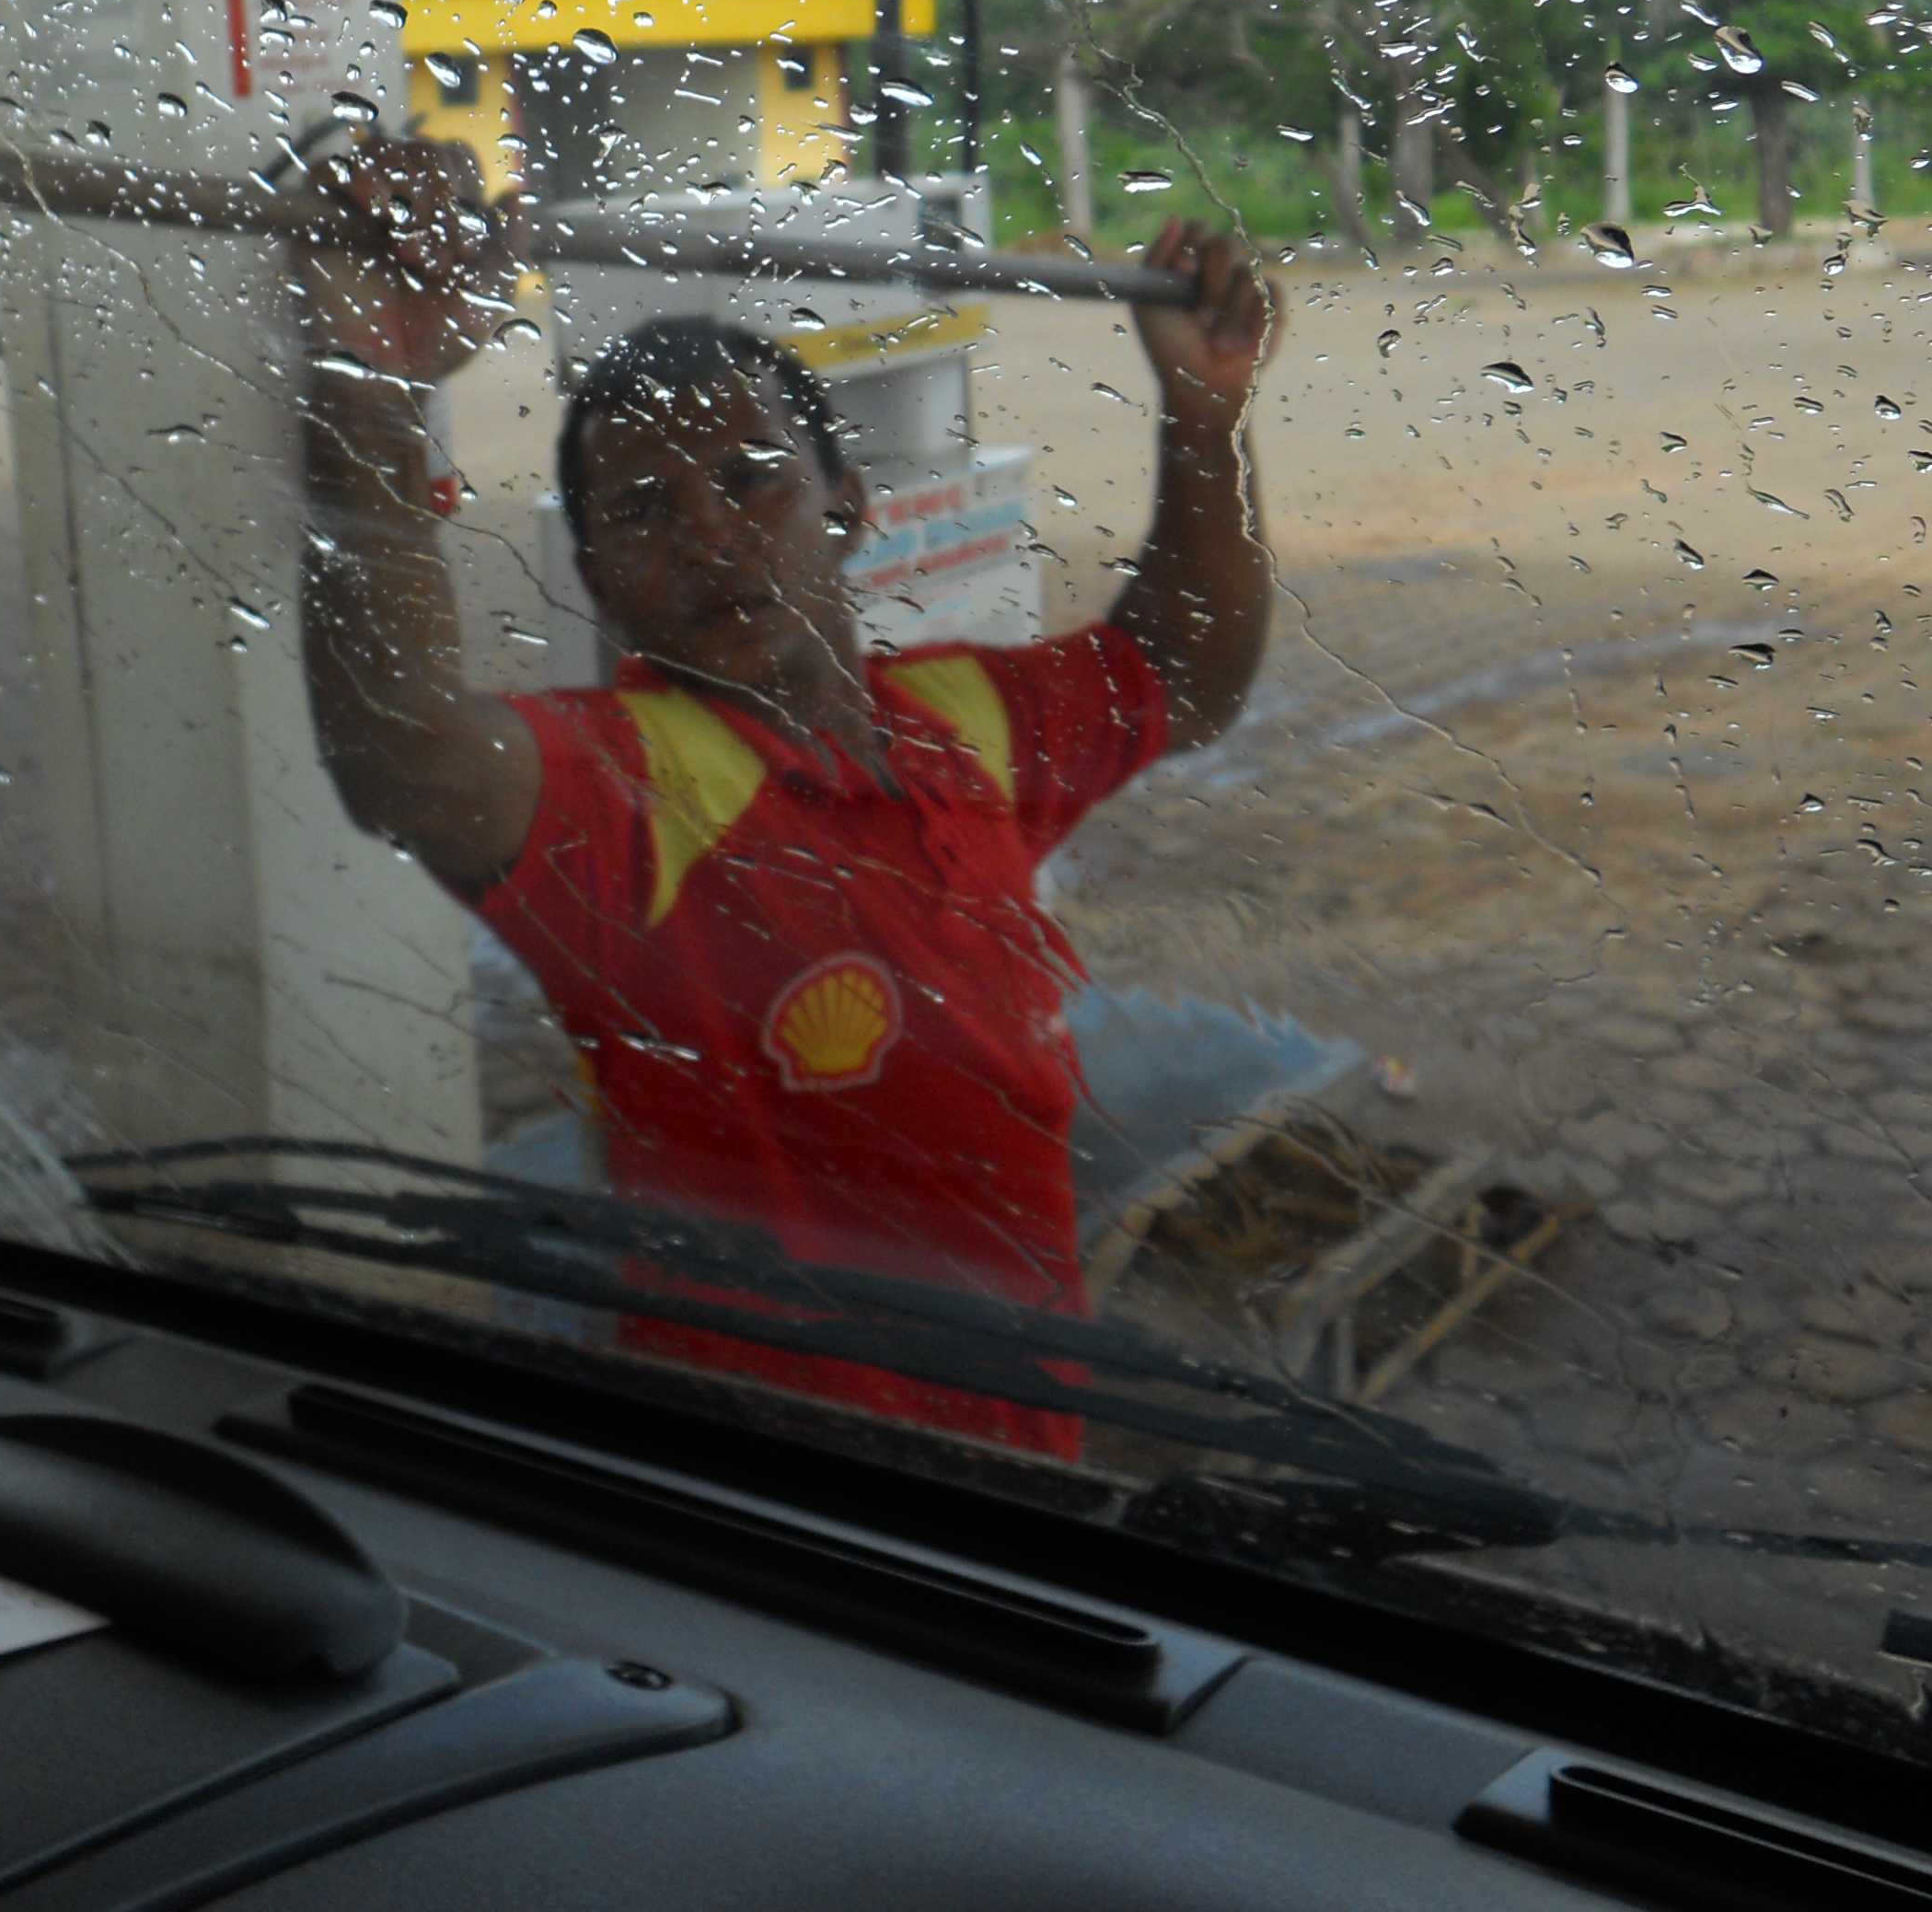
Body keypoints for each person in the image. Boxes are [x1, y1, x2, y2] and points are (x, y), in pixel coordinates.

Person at [294, 140, 1275, 1454]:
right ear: (595, 578)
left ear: (850, 507)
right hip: (778, 1524)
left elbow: (1183, 671)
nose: (708, 534)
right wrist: (374, 387)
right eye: (644, 510)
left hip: (1030, 1485)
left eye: (754, 478)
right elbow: (402, 756)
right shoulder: (630, 790)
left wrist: (1205, 417)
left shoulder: (964, 723)